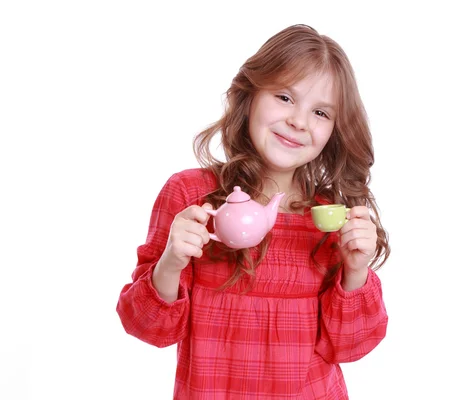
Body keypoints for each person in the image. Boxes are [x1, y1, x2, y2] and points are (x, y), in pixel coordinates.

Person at [116, 24, 391, 399]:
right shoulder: (192, 195)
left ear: (335, 131)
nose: (299, 121)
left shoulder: (330, 217)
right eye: (284, 97)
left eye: (322, 113)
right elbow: (147, 328)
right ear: (250, 94)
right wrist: (171, 261)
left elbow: (351, 346)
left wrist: (356, 271)